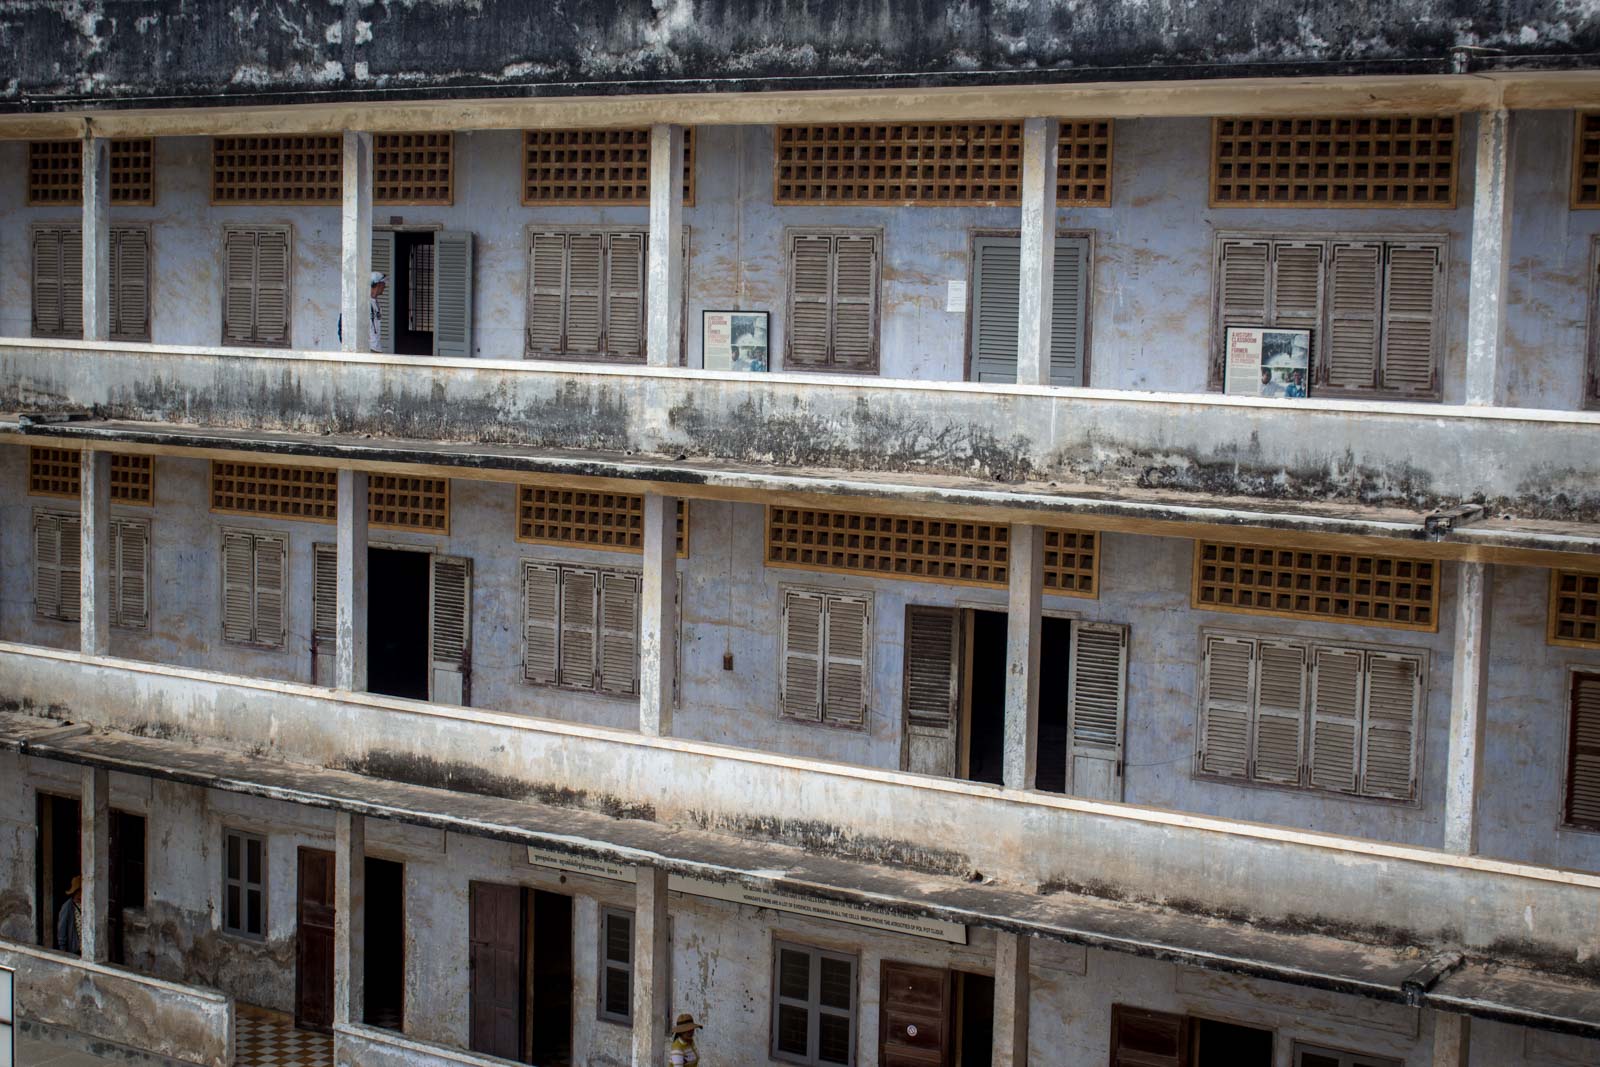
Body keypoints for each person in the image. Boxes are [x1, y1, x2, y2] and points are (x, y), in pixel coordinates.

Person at [337, 271, 388, 352]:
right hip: (366, 350)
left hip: (376, 349)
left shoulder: (376, 304)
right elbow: (343, 325)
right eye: (384, 283)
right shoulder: (359, 302)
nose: (385, 286)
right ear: (378, 284)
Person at [56, 874, 82, 955]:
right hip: (75, 950)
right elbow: (61, 929)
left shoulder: (85, 904)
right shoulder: (67, 907)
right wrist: (62, 950)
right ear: (76, 891)